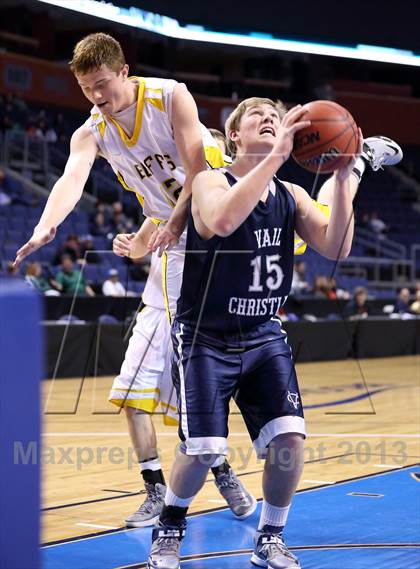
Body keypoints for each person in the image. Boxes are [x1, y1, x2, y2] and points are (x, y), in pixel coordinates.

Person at [146, 97, 403, 569]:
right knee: (204, 449)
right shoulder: (207, 182)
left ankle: (269, 539)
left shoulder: (292, 195)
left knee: (288, 440)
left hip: (263, 333)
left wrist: (346, 179)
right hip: (206, 335)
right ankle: (170, 526)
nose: (268, 118)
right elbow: (222, 220)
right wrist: (277, 156)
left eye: (275, 114)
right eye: (256, 116)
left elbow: (336, 246)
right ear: (234, 136)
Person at [13, 33, 255, 526]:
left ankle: (224, 468)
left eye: (102, 84)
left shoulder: (170, 96)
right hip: (172, 251)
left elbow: (196, 173)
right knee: (130, 388)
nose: (96, 97)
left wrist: (163, 227)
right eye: (86, 89)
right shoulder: (92, 131)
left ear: (124, 71)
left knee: (198, 382)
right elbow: (71, 180)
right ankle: (156, 487)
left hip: (216, 237)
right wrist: (47, 225)